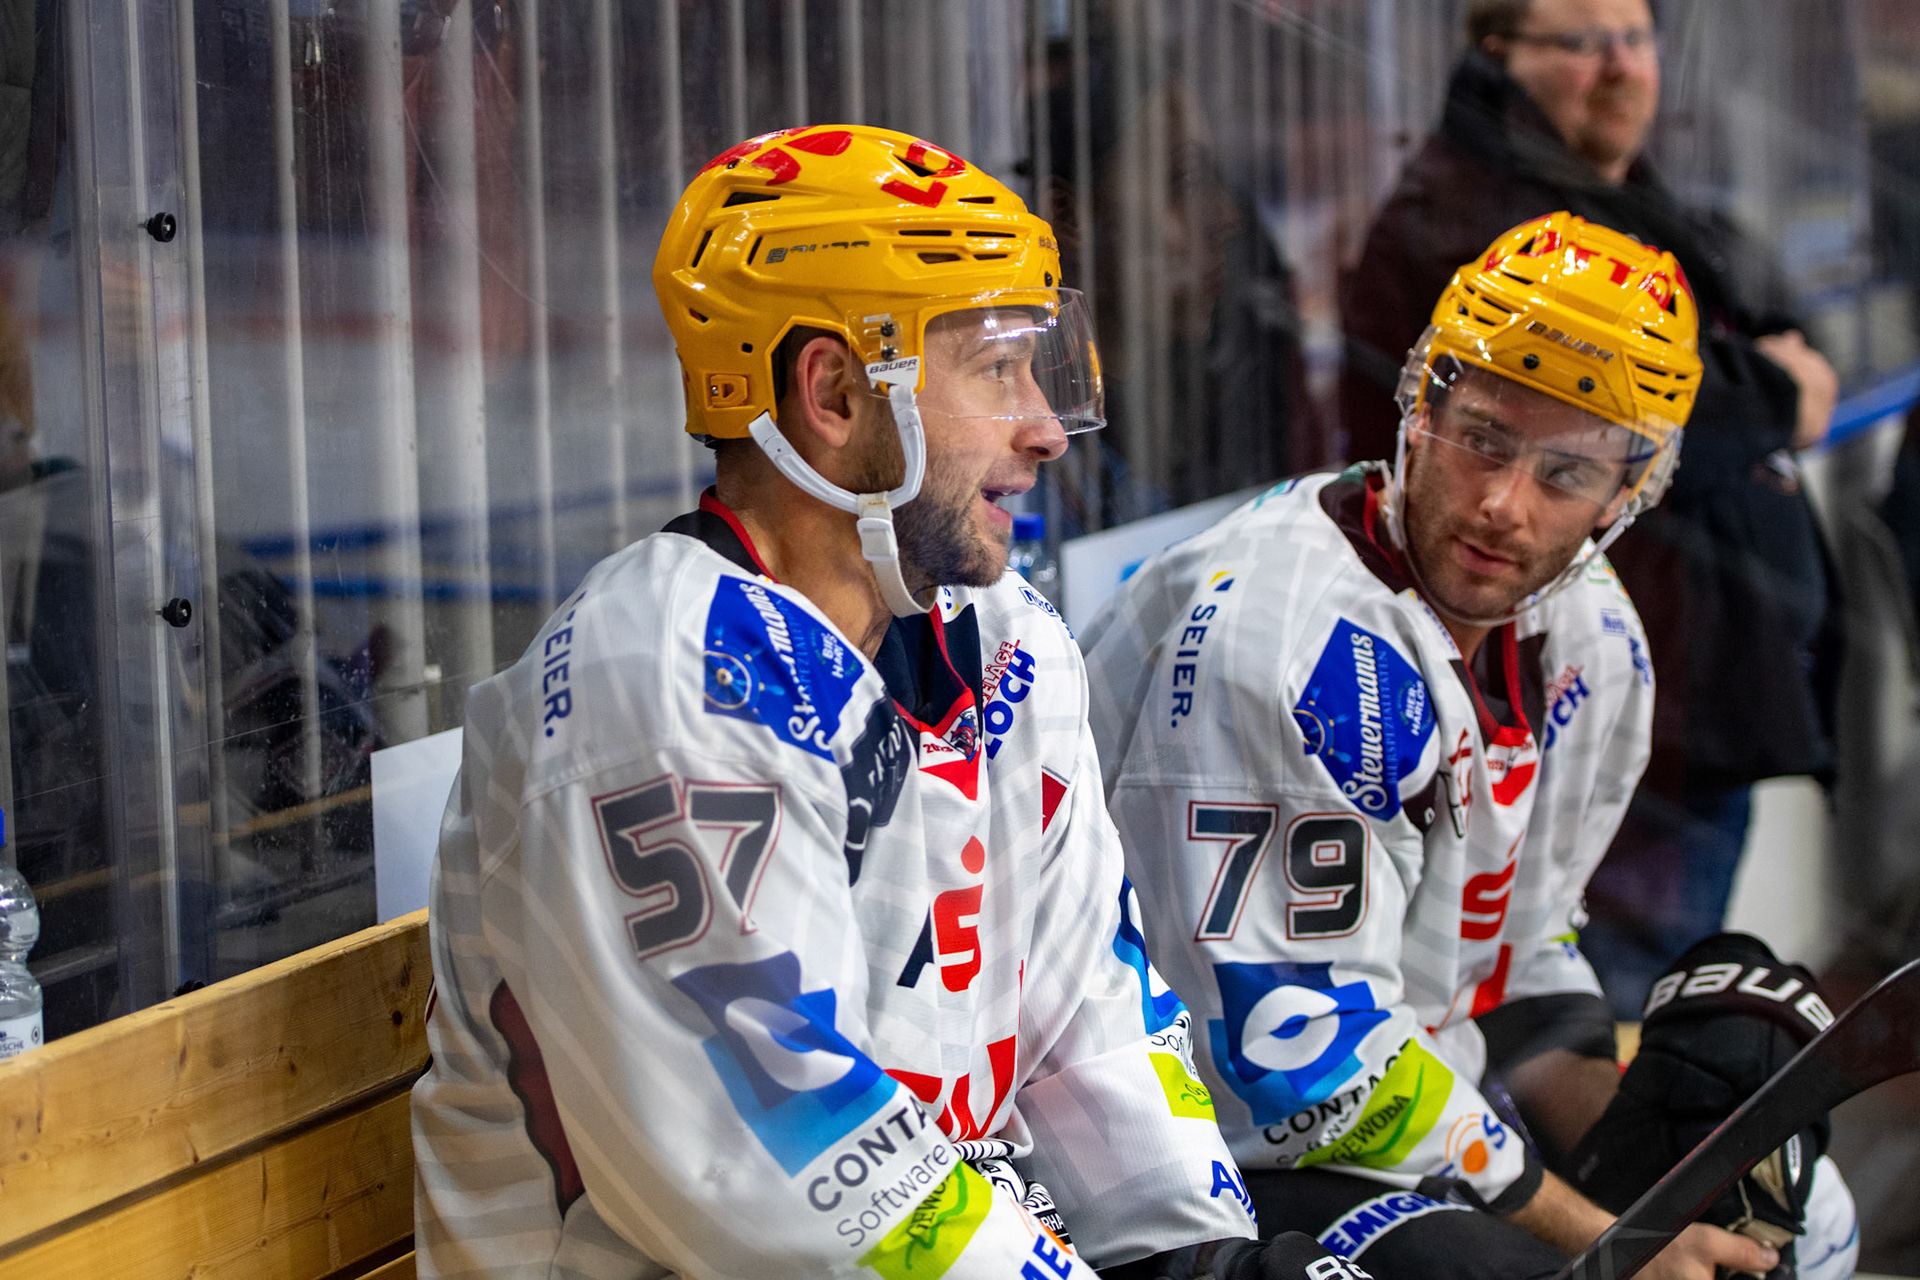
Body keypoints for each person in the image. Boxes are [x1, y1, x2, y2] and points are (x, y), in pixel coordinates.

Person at [411, 124, 1356, 1280]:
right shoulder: (665, 677)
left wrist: (1201, 1259)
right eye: (997, 369)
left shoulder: (1006, 638)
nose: (1045, 427)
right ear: (835, 393)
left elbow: (1093, 1022)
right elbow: (790, 1174)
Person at [1081, 212, 1856, 1280]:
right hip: (1192, 1154)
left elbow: (1515, 958)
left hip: (1405, 1118)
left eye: (1566, 474)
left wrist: (1651, 1163)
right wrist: (1608, 1242)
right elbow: (1297, 1066)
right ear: (1420, 406)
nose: (1502, 505)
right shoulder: (1286, 643)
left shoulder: (1591, 636)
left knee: (1796, 1205)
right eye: (1482, 437)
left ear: (1628, 495)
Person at [1336, 0, 1844, 1018]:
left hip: (1685, 701)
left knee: (1670, 1018)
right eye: (1580, 42)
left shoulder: (1616, 193)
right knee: (1590, 1018)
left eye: (1635, 38)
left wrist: (1765, 379)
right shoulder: (1483, 220)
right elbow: (1696, 408)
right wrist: (1773, 390)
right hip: (1576, 709)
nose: (1620, 68)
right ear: (1499, 56)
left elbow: (1756, 331)